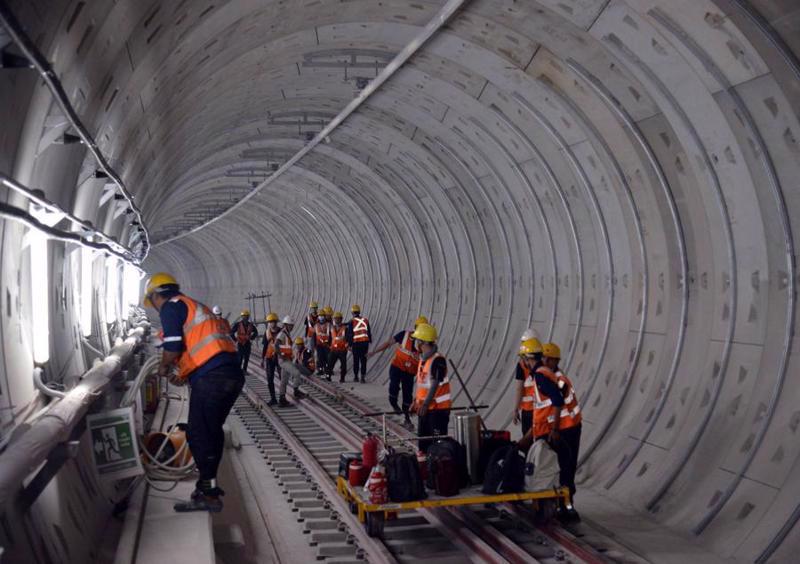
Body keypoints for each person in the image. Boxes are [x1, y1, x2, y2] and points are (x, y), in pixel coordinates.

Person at [143, 272, 242, 513]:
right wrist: (184, 372)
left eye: (152, 301)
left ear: (156, 295)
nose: (155, 308)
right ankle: (208, 487)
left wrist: (165, 367)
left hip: (212, 378)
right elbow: (201, 349)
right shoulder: (194, 305)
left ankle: (207, 495)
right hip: (230, 374)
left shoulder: (171, 306)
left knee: (198, 433)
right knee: (210, 431)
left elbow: (174, 345)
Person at [518, 342, 582, 522]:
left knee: (566, 469)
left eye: (547, 359)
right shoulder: (549, 376)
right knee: (558, 467)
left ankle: (568, 508)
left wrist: (553, 430)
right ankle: (560, 505)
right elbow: (544, 411)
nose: (544, 361)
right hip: (562, 428)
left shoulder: (554, 379)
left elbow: (557, 403)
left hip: (567, 429)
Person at [369, 315, 428, 429]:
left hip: (409, 373)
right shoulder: (404, 335)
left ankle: (407, 418)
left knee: (407, 396)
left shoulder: (425, 346)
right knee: (394, 387)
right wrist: (374, 352)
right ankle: (394, 403)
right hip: (397, 367)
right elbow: (388, 343)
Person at [409, 323, 451, 452]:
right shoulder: (424, 360)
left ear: (423, 342)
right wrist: (415, 402)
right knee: (423, 446)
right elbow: (422, 385)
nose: (416, 343)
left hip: (437, 411)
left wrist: (426, 404)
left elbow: (434, 384)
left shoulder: (438, 360)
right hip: (425, 410)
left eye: (417, 340)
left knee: (437, 447)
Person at [513, 336, 543, 438]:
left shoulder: (522, 367)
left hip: (530, 411)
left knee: (529, 442)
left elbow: (519, 389)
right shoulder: (545, 367)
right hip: (540, 412)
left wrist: (516, 409)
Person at [275, 315, 305, 405]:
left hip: (287, 359)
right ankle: (296, 391)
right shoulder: (282, 334)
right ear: (285, 325)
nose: (292, 327)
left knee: (284, 380)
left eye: (292, 325)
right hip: (284, 360)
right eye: (290, 325)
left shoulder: (287, 334)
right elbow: (276, 345)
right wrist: (281, 355)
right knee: (297, 373)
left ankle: (282, 399)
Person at [260, 312, 282, 405]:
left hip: (279, 358)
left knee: (282, 378)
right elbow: (265, 346)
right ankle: (273, 398)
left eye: (273, 322)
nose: (271, 323)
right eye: (270, 322)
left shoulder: (282, 332)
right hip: (269, 358)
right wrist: (262, 359)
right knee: (269, 379)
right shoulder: (267, 332)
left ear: (276, 322)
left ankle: (282, 397)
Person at [347, 304, 371, 383]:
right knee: (363, 360)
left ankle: (356, 377)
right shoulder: (365, 320)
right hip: (364, 343)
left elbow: (350, 334)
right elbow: (368, 331)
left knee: (356, 360)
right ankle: (363, 378)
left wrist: (349, 345)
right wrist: (369, 340)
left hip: (356, 343)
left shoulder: (352, 321)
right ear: (359, 312)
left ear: (352, 313)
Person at [230, 309, 258, 374]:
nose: (245, 318)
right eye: (244, 316)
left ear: (248, 317)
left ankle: (244, 370)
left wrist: (251, 338)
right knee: (240, 358)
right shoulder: (238, 324)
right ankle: (238, 371)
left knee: (246, 358)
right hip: (240, 343)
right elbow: (231, 332)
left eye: (246, 316)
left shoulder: (251, 325)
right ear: (242, 317)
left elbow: (256, 332)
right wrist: (235, 340)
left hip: (247, 343)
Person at [328, 312, 348, 382]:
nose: (336, 320)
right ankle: (328, 377)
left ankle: (342, 378)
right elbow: (330, 338)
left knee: (343, 365)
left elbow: (348, 338)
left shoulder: (345, 328)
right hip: (333, 349)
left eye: (338, 319)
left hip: (342, 350)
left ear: (341, 319)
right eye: (335, 319)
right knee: (330, 364)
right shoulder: (332, 328)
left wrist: (347, 345)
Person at [313, 308, 332, 377]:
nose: (321, 317)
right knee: (320, 358)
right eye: (320, 315)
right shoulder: (316, 325)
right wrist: (314, 344)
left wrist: (330, 344)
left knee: (327, 358)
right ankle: (320, 370)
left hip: (326, 345)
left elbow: (331, 335)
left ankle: (327, 370)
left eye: (323, 315)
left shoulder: (329, 325)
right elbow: (314, 336)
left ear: (325, 316)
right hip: (319, 345)